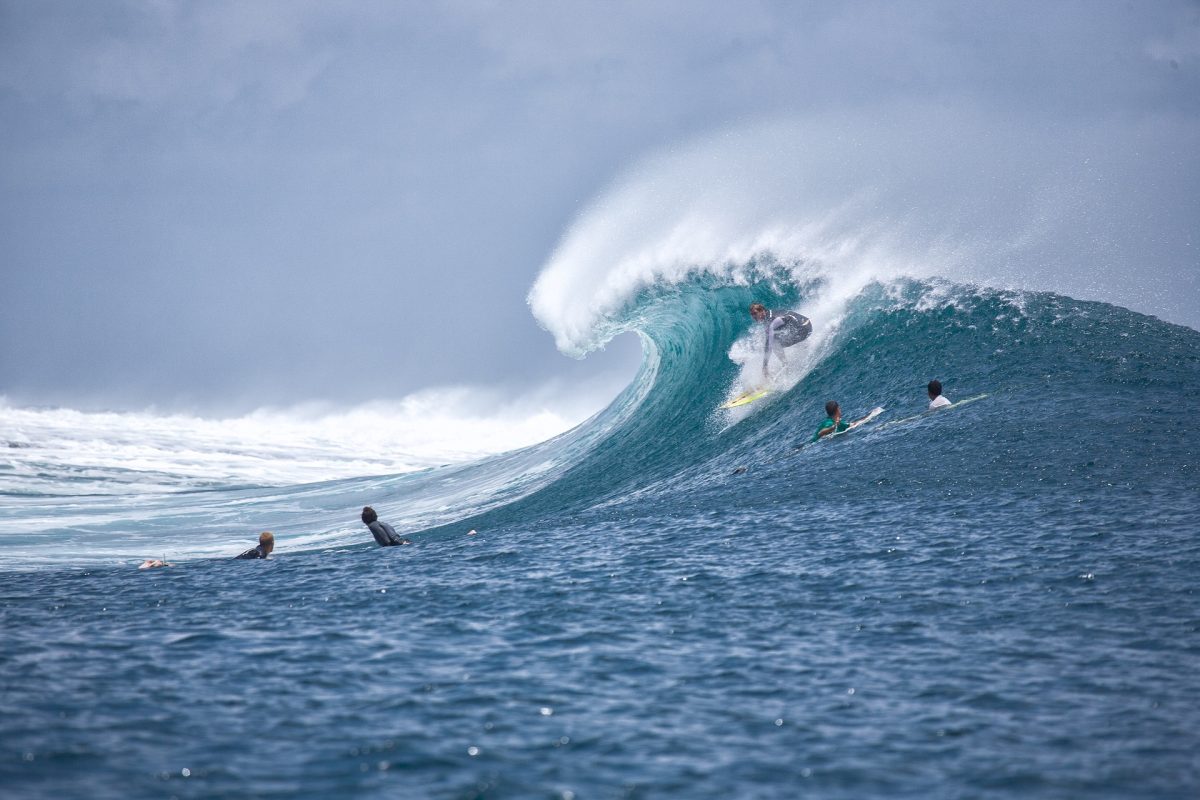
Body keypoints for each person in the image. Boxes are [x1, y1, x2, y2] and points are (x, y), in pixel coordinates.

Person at [749, 302, 812, 377]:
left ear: (762, 310)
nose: (754, 316)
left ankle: (786, 366)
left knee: (775, 344)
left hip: (804, 329)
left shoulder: (771, 320)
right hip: (806, 325)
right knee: (776, 337)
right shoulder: (770, 314)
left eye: (755, 313)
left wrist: (765, 365)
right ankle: (804, 346)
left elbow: (769, 345)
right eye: (752, 314)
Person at [812, 400, 877, 442]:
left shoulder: (839, 423)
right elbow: (820, 433)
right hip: (812, 446)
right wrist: (833, 427)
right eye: (839, 408)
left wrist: (870, 415)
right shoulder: (829, 422)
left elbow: (853, 424)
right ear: (837, 409)